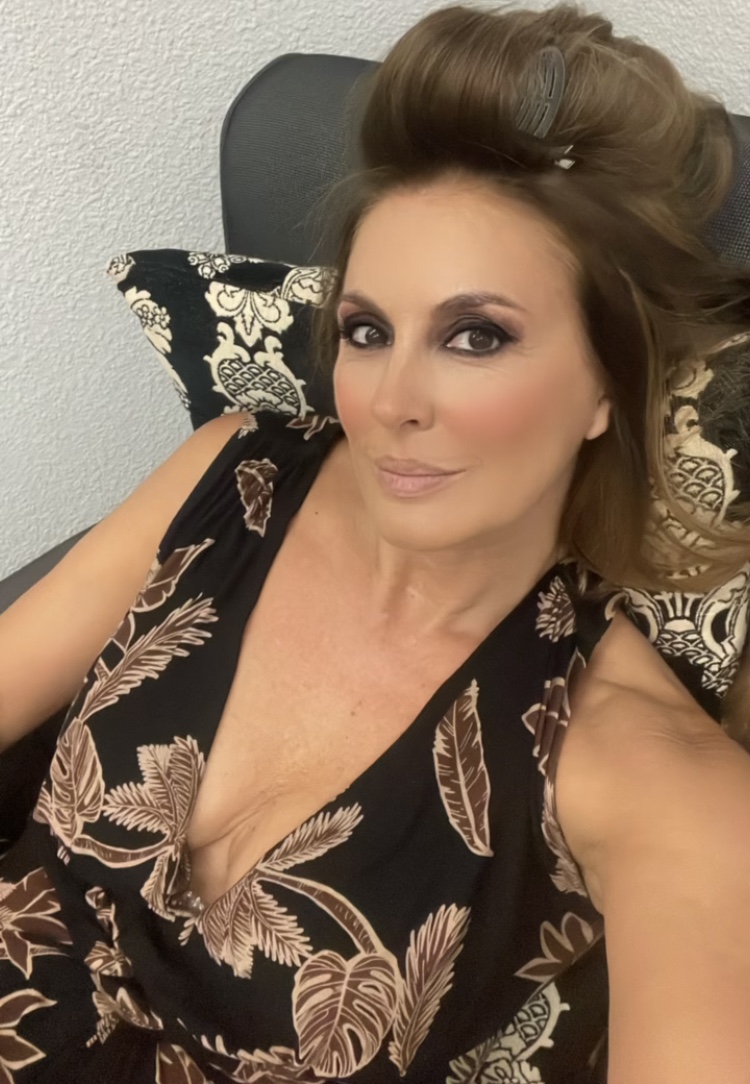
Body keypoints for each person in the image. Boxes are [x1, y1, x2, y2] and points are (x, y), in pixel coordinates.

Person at [1, 3, 749, 1081]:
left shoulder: (644, 770)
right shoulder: (232, 475)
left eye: (476, 336)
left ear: (606, 383)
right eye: (367, 330)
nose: (391, 401)